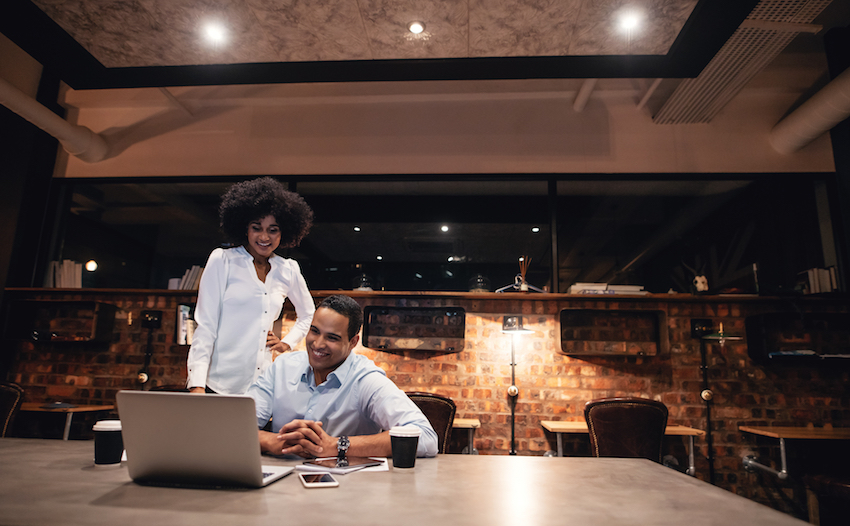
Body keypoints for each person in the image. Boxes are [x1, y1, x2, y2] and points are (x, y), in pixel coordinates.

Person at [248, 294, 438, 459]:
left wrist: (337, 446)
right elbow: (234, 427)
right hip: (279, 488)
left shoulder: (365, 379)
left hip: (347, 491)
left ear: (353, 342)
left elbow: (427, 438)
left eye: (332, 338)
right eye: (314, 331)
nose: (318, 344)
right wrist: (272, 441)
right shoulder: (282, 367)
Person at [186, 177, 315, 395]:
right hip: (219, 385)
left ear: (283, 233)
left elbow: (309, 314)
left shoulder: (288, 269)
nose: (264, 237)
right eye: (257, 228)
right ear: (245, 228)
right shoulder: (222, 260)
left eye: (273, 230)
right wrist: (197, 384)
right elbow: (206, 326)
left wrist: (286, 343)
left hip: (263, 387)